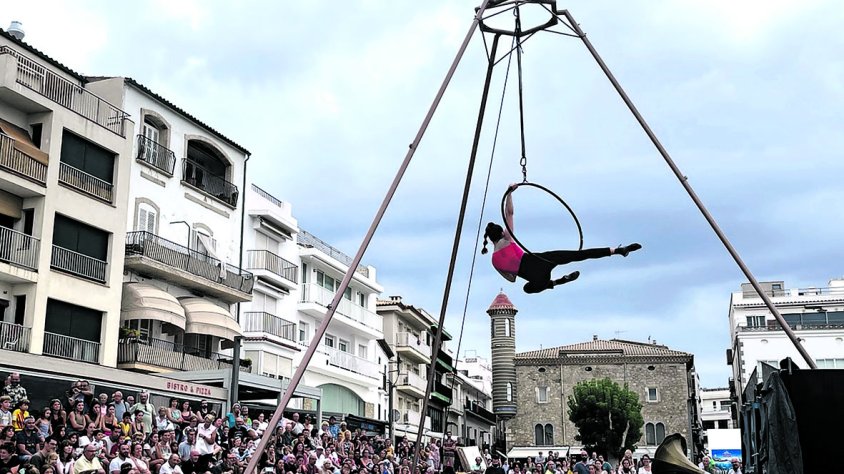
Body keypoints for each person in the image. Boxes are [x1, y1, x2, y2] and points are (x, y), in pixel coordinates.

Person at [482, 187, 641, 294]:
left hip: (536, 278)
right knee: (578, 255)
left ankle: (558, 282)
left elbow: (511, 279)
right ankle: (617, 251)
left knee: (527, 289)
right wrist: (510, 193)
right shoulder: (508, 238)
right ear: (502, 232)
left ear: (490, 240)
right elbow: (509, 213)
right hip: (541, 260)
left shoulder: (494, 261)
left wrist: (514, 266)